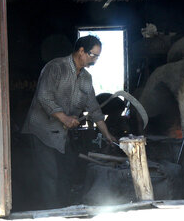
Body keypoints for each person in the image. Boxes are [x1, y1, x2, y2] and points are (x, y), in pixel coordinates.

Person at [22, 35, 117, 209]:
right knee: (49, 175)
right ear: (81, 51)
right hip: (41, 130)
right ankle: (52, 212)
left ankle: (65, 209)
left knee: (66, 172)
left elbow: (94, 109)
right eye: (92, 55)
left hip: (61, 134)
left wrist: (108, 135)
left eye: (97, 56)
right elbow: (44, 96)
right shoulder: (56, 68)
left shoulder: (86, 79)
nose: (95, 60)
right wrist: (65, 118)